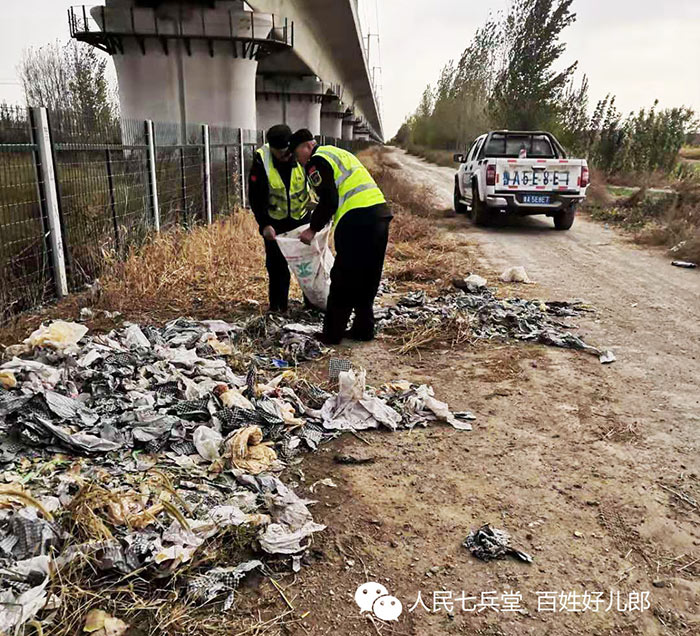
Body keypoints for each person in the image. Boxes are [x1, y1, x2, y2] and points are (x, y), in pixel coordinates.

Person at [287, 129, 392, 344]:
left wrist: (312, 229)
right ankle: (364, 329)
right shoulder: (336, 152)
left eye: (297, 153)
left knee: (343, 278)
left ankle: (332, 334)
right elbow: (339, 189)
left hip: (356, 219)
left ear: (307, 146)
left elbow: (329, 200)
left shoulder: (316, 161)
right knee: (368, 275)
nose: (297, 160)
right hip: (379, 214)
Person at [248, 124, 314, 313]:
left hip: (301, 220)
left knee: (306, 266)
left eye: (287, 152)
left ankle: (312, 305)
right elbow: (255, 197)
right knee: (276, 268)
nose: (285, 157)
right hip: (275, 223)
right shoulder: (262, 160)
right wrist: (264, 225)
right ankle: (278, 308)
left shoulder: (302, 156)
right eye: (281, 154)